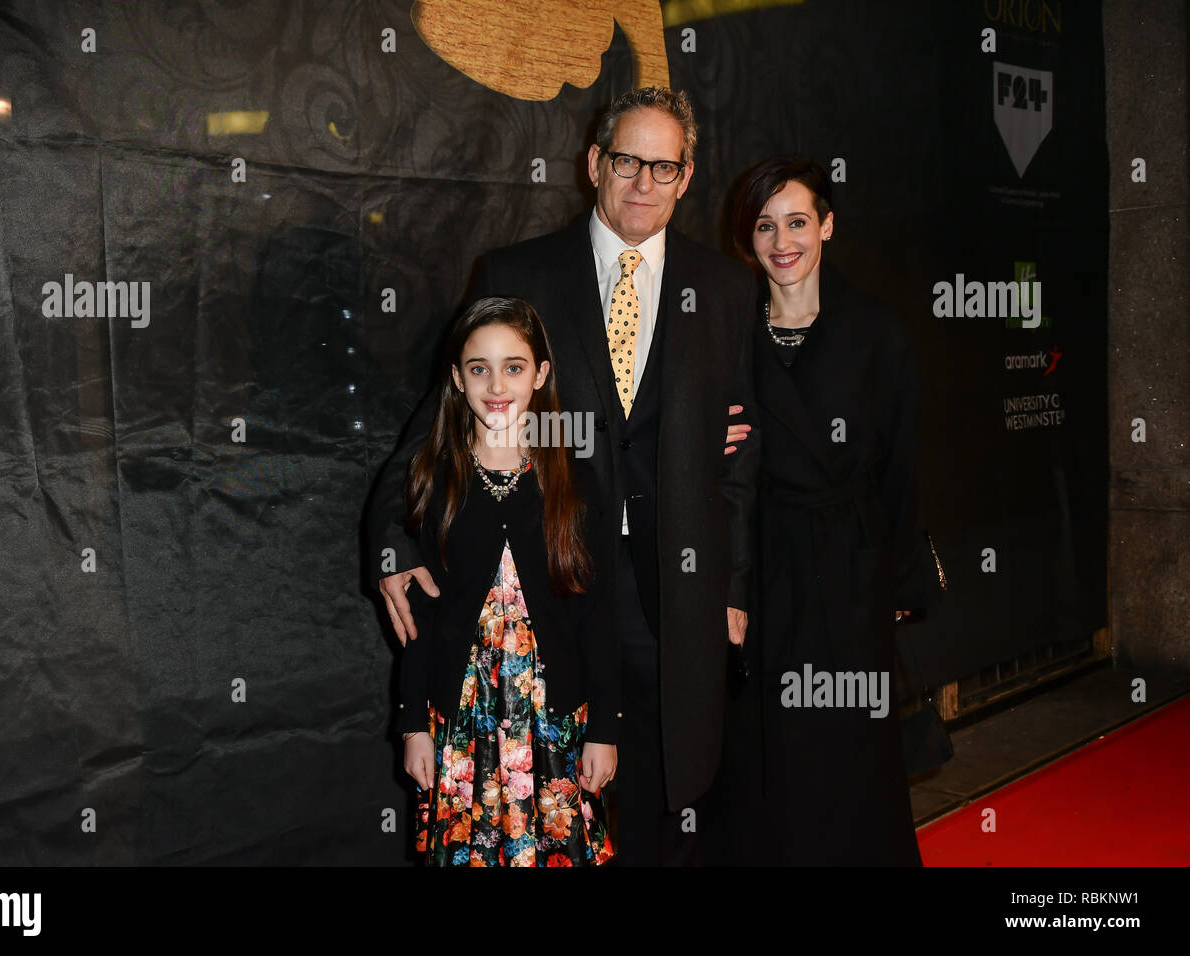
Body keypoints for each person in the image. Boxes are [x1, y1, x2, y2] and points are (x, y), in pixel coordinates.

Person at [370, 87, 760, 866]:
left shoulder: (725, 289)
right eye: (626, 161)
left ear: (686, 178)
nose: (643, 183)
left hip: (671, 587)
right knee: (550, 798)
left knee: (662, 788)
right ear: (594, 164)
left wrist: (734, 587)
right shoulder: (519, 271)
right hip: (551, 577)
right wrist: (390, 544)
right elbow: (431, 429)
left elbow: (740, 461)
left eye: (663, 166)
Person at [726, 155, 938, 865]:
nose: (782, 241)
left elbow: (901, 469)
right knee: (768, 754)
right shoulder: (727, 334)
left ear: (827, 225)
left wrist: (903, 579)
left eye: (797, 221)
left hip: (849, 570)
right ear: (748, 237)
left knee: (849, 751)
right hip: (761, 569)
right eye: (765, 225)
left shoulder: (879, 332)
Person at [397, 296, 617, 866]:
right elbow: (419, 617)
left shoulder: (577, 483)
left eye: (514, 367)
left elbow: (600, 615)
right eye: (479, 368)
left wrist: (606, 730)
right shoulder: (432, 480)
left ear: (541, 374)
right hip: (461, 721)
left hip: (554, 718)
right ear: (456, 378)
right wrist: (412, 725)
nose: (497, 384)